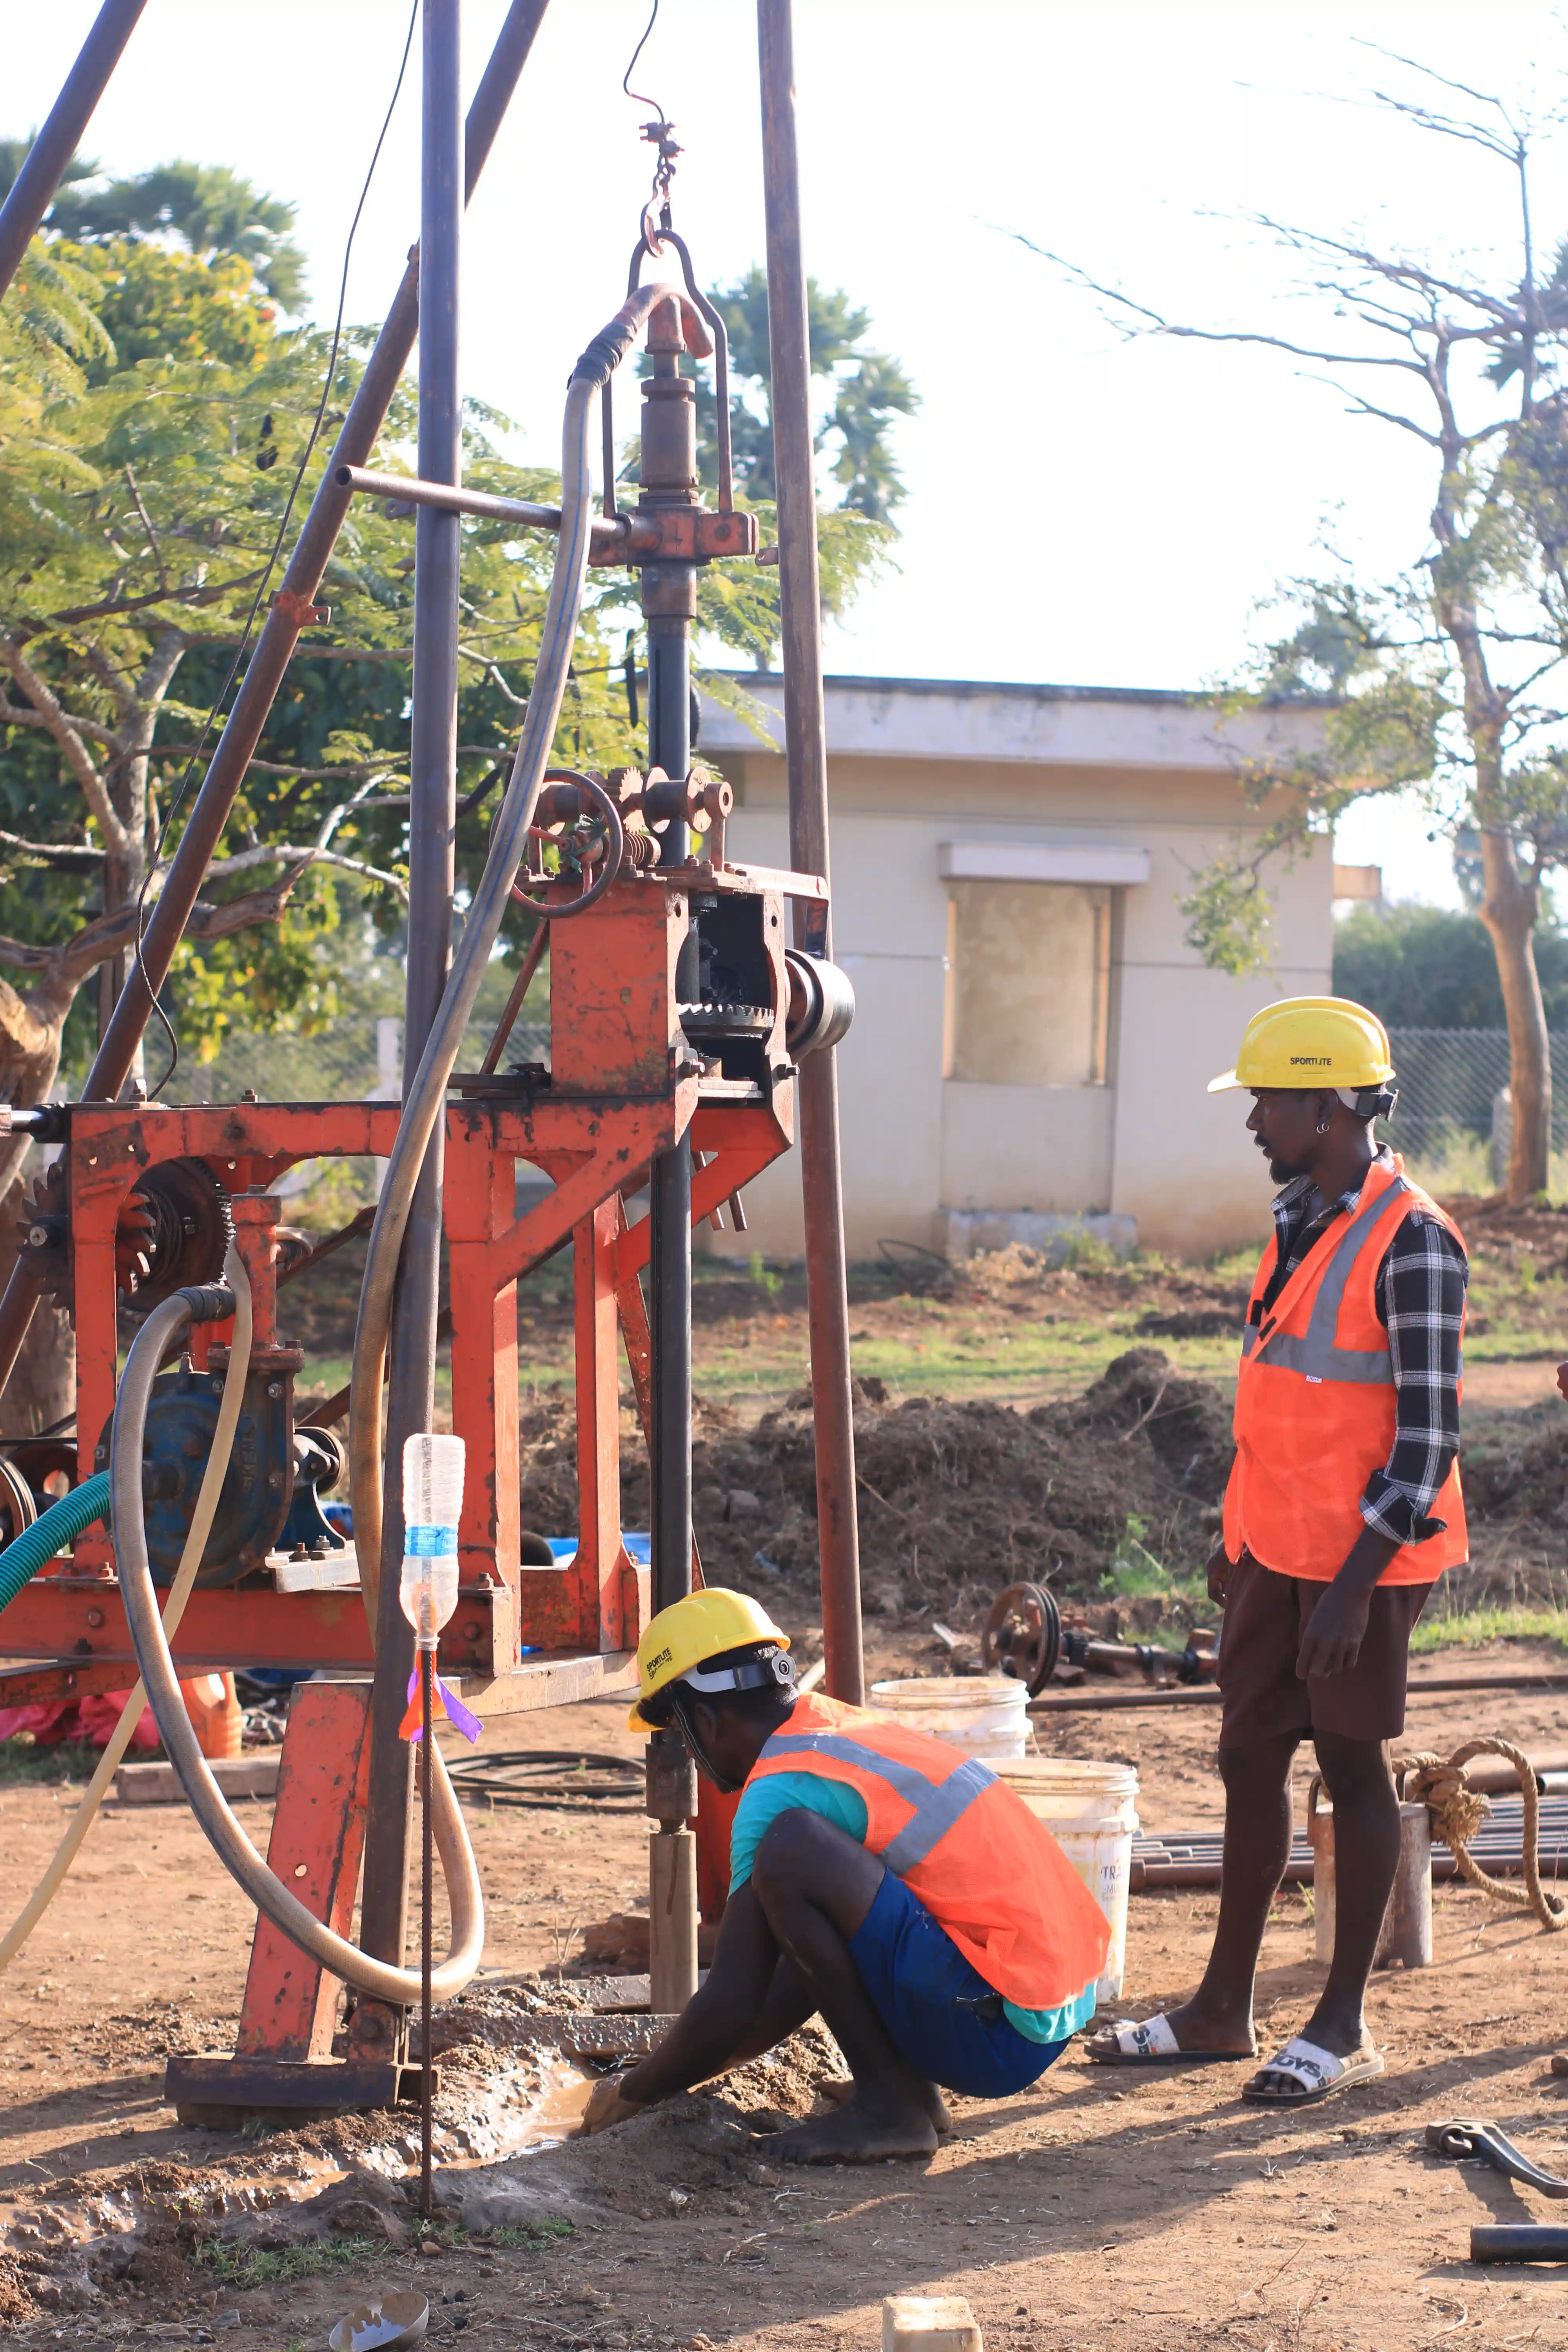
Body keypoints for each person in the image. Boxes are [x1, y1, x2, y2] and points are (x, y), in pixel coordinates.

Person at [1087, 996, 1468, 2106]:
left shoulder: (1415, 1241)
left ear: (1332, 1106)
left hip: (1368, 1568)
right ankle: (1221, 2010)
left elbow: (1429, 1435)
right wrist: (1237, 1542)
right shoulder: (1301, 1219)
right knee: (1250, 1759)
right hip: (1276, 1553)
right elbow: (1288, 1398)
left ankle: (1339, 2024)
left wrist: (1353, 1589)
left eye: (1270, 1100)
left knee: (1350, 1770)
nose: (1253, 1120)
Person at [580, 1588, 1110, 2163]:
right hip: (1043, 2010)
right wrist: (671, 2072)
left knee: (791, 1850)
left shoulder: (778, 1793)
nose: (693, 1756)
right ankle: (909, 2092)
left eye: (684, 1738)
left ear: (708, 1722)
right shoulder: (836, 1733)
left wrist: (630, 2093)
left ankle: (891, 2111)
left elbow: (734, 2001)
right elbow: (789, 1976)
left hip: (997, 2034)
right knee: (813, 1881)